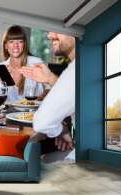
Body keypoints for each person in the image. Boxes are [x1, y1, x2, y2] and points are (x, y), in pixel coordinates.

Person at [19, 32, 76, 161]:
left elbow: (42, 123)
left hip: (85, 156)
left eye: (58, 30)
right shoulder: (85, 63)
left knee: (30, 161)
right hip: (80, 146)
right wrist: (50, 78)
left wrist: (61, 130)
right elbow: (77, 93)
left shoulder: (76, 69)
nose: (50, 36)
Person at [0, 25, 44, 102]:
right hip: (9, 113)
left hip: (34, 113)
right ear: (6, 46)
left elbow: (50, 88)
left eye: (20, 41)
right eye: (11, 42)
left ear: (24, 44)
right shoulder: (2, 67)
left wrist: (44, 94)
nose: (16, 46)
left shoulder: (36, 63)